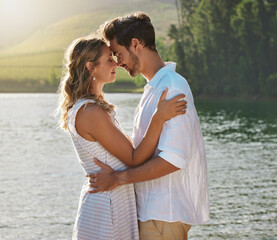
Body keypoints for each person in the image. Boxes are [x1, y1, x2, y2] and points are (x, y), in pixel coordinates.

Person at [87, 12, 210, 240]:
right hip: (152, 215)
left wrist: (118, 179)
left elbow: (174, 160)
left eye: (118, 53)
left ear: (136, 44)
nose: (118, 62)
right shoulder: (154, 88)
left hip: (163, 217)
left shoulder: (172, 88)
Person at [57, 36, 187, 240]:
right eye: (109, 59)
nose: (116, 63)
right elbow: (134, 159)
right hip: (107, 206)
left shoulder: (90, 107)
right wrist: (158, 117)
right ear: (91, 67)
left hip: (111, 201)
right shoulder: (90, 112)